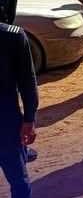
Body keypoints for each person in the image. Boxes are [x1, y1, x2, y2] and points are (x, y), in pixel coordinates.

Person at [0, 20, 37, 198]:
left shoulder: (12, 36)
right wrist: (29, 119)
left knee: (19, 180)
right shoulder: (12, 35)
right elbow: (28, 83)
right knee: (19, 180)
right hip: (6, 124)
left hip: (6, 123)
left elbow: (27, 82)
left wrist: (29, 119)